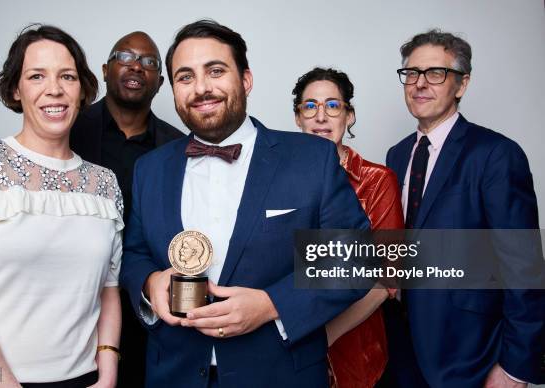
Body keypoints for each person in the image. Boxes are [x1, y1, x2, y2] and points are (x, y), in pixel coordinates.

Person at [119, 20, 371, 388]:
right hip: (173, 373)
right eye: (185, 77)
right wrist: (149, 282)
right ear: (173, 90)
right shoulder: (150, 168)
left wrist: (272, 305)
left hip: (280, 373)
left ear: (246, 80)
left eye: (216, 71)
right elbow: (134, 253)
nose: (201, 88)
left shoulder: (310, 158)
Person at [0, 24, 122, 386]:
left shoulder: (104, 183)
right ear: (15, 89)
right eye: (37, 76)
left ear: (82, 90)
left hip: (82, 380)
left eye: (67, 76)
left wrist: (107, 375)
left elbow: (108, 291)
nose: (55, 89)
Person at [386, 29, 545, 387]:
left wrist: (516, 367)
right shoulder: (397, 155)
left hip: (470, 354)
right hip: (402, 350)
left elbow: (525, 266)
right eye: (411, 73)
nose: (419, 84)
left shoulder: (496, 155)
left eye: (435, 73)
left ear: (461, 84)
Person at [69, 31, 184, 387]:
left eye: (149, 62)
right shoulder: (65, 129)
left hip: (148, 309)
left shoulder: (180, 147)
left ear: (160, 82)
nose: (136, 65)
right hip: (73, 304)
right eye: (125, 56)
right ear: (105, 69)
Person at [293, 67, 404, 388]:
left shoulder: (378, 180)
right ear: (298, 118)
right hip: (289, 345)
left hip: (356, 352)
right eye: (310, 106)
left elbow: (388, 278)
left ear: (349, 115)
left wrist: (322, 338)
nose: (321, 116)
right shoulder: (281, 181)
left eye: (332, 105)